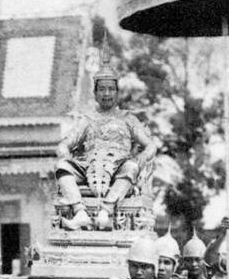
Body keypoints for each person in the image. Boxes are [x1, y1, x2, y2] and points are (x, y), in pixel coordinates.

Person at [55, 68, 159, 230]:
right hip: (88, 166)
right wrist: (65, 154)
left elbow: (150, 145)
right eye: (102, 89)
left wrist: (143, 156)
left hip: (119, 166)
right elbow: (64, 144)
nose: (107, 93)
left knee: (131, 167)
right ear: (95, 94)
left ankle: (106, 210)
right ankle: (80, 212)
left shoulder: (127, 118)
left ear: (117, 93)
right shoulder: (87, 119)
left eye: (111, 89)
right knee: (62, 166)